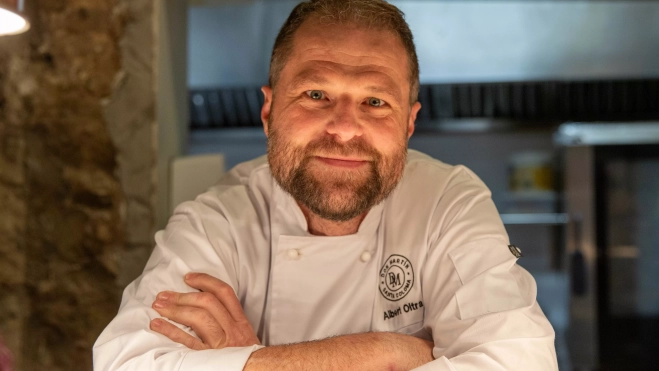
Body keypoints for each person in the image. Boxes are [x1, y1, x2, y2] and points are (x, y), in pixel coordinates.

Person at [94, 0, 558, 370]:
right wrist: (389, 353)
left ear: (409, 124)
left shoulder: (446, 203)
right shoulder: (217, 222)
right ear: (269, 111)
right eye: (316, 94)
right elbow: (126, 361)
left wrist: (250, 362)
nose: (343, 128)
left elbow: (521, 359)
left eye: (375, 102)